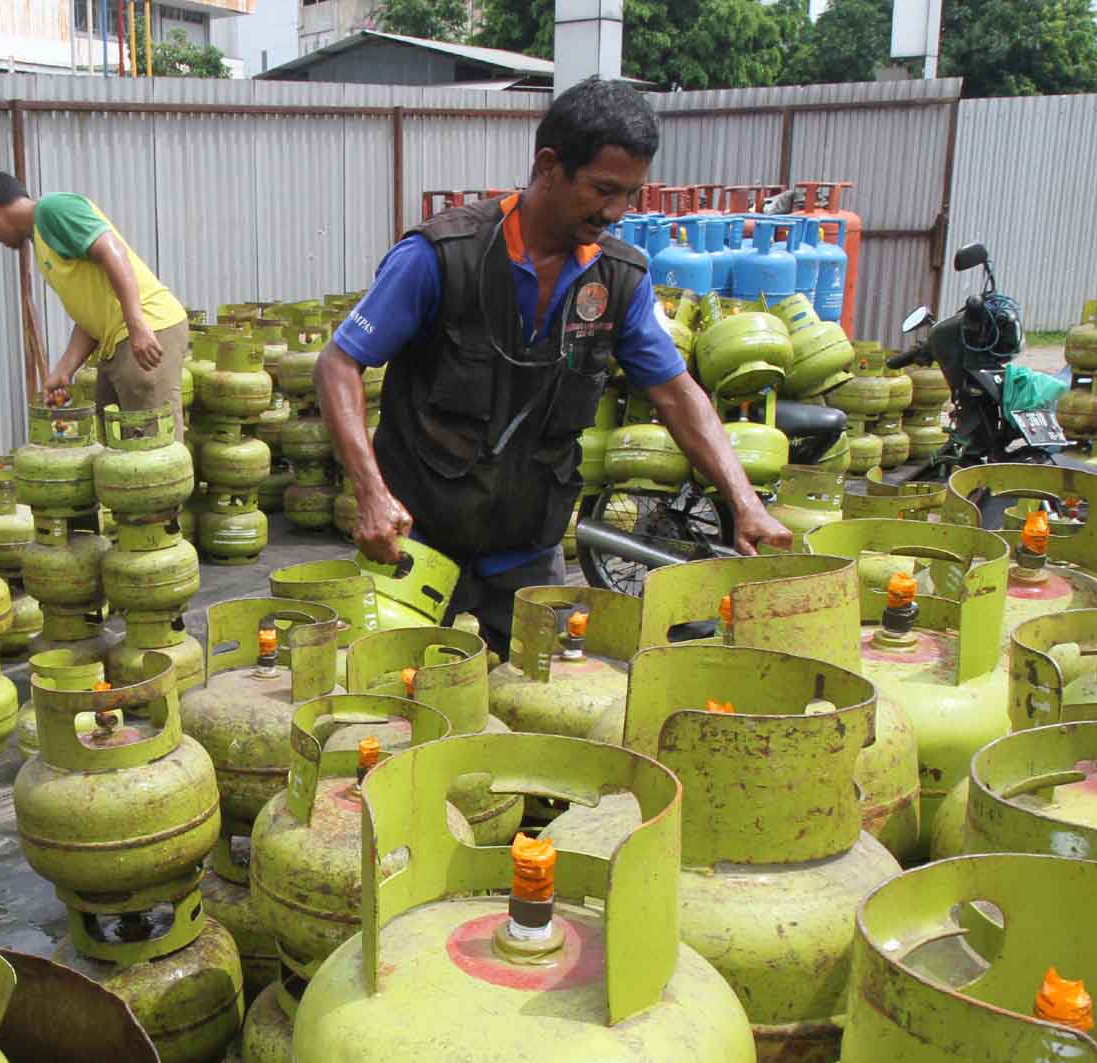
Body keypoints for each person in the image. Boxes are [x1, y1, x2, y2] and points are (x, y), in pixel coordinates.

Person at [314, 77, 793, 652]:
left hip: (528, 551)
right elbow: (338, 364)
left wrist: (744, 503)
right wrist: (370, 493)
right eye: (602, 189)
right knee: (395, 702)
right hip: (416, 542)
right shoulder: (443, 256)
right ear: (548, 165)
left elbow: (675, 391)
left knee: (535, 712)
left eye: (630, 194)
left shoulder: (618, 279)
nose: (615, 211)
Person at [0, 172, 188, 430]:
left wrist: (137, 324)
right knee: (110, 443)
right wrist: (64, 370)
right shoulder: (41, 241)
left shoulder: (52, 209)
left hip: (149, 328)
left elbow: (112, 251)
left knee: (153, 450)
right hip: (116, 340)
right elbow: (89, 312)